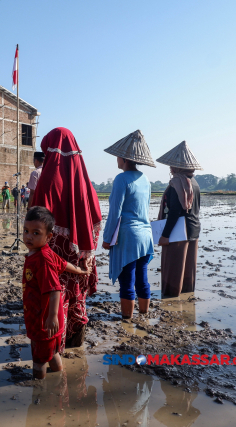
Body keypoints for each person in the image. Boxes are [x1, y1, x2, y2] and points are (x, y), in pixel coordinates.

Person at [30, 127, 102, 350]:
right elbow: (96, 217)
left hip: (55, 256)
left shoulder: (48, 178)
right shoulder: (85, 179)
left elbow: (38, 218)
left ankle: (55, 350)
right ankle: (74, 345)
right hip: (80, 252)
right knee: (77, 296)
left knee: (55, 299)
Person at [22, 207, 90, 379]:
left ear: (49, 236)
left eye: (36, 233)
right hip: (44, 317)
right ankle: (59, 380)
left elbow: (54, 290)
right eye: (26, 231)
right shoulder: (43, 253)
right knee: (51, 353)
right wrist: (80, 271)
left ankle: (39, 391)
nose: (29, 236)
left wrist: (52, 317)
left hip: (44, 319)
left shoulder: (43, 260)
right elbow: (63, 263)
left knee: (38, 359)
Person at [101, 130, 156, 317]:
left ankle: (126, 319)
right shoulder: (145, 179)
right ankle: (144, 314)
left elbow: (115, 212)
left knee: (127, 278)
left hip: (128, 236)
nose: (116, 159)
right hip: (145, 234)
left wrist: (107, 238)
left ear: (124, 158)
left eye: (118, 156)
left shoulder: (121, 179)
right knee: (142, 277)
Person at [156, 141, 202, 298]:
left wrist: (165, 235)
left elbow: (175, 212)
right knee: (188, 268)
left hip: (178, 232)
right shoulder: (194, 183)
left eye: (172, 165)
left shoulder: (177, 183)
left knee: (173, 268)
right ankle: (187, 297)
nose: (170, 168)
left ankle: (170, 297)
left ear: (178, 167)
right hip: (193, 229)